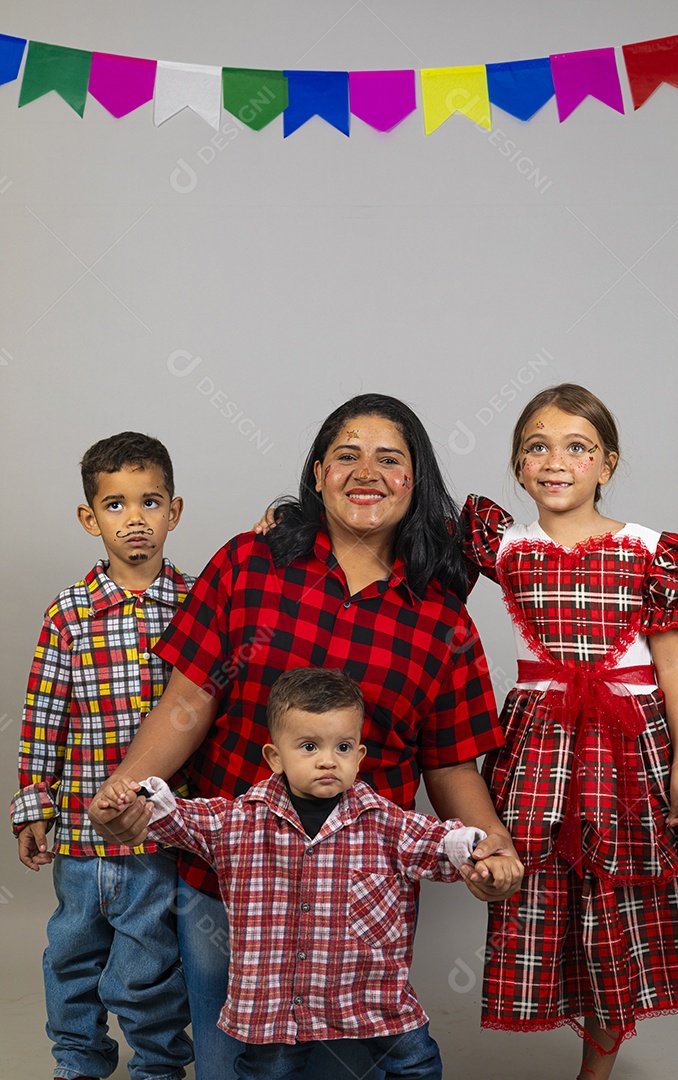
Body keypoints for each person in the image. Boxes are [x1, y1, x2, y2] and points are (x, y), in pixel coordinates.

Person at [89, 393, 524, 1080]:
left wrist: (490, 844)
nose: (366, 471)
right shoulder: (248, 565)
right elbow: (187, 702)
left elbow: (450, 766)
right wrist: (127, 788)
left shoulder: (442, 620)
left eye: (389, 459)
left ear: (416, 481)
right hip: (229, 889)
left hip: (361, 908)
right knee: (232, 1070)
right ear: (319, 473)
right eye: (347, 455)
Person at [459, 384, 678, 1080]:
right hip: (539, 746)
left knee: (615, 906)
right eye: (537, 447)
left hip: (628, 747)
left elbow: (674, 667)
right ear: (518, 467)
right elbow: (395, 536)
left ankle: (594, 1074)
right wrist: (290, 520)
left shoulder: (648, 551)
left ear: (607, 463)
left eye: (578, 448)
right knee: (544, 892)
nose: (556, 461)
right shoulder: (504, 545)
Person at [102, 667, 491, 1079]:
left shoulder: (385, 823)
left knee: (415, 1062)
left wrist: (479, 851)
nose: (328, 760)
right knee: (267, 1072)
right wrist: (133, 795)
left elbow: (437, 842)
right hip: (275, 1003)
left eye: (343, 747)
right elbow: (177, 817)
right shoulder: (240, 821)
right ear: (275, 757)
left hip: (370, 993)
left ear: (360, 756)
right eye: (309, 746)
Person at [11, 432, 194, 1080]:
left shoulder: (197, 605)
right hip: (80, 838)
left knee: (150, 966)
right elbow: (43, 718)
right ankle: (78, 1060)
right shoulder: (69, 613)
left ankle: (159, 1066)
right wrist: (34, 806)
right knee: (71, 956)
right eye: (116, 505)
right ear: (90, 518)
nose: (135, 518)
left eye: (150, 501)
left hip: (159, 835)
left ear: (174, 511)